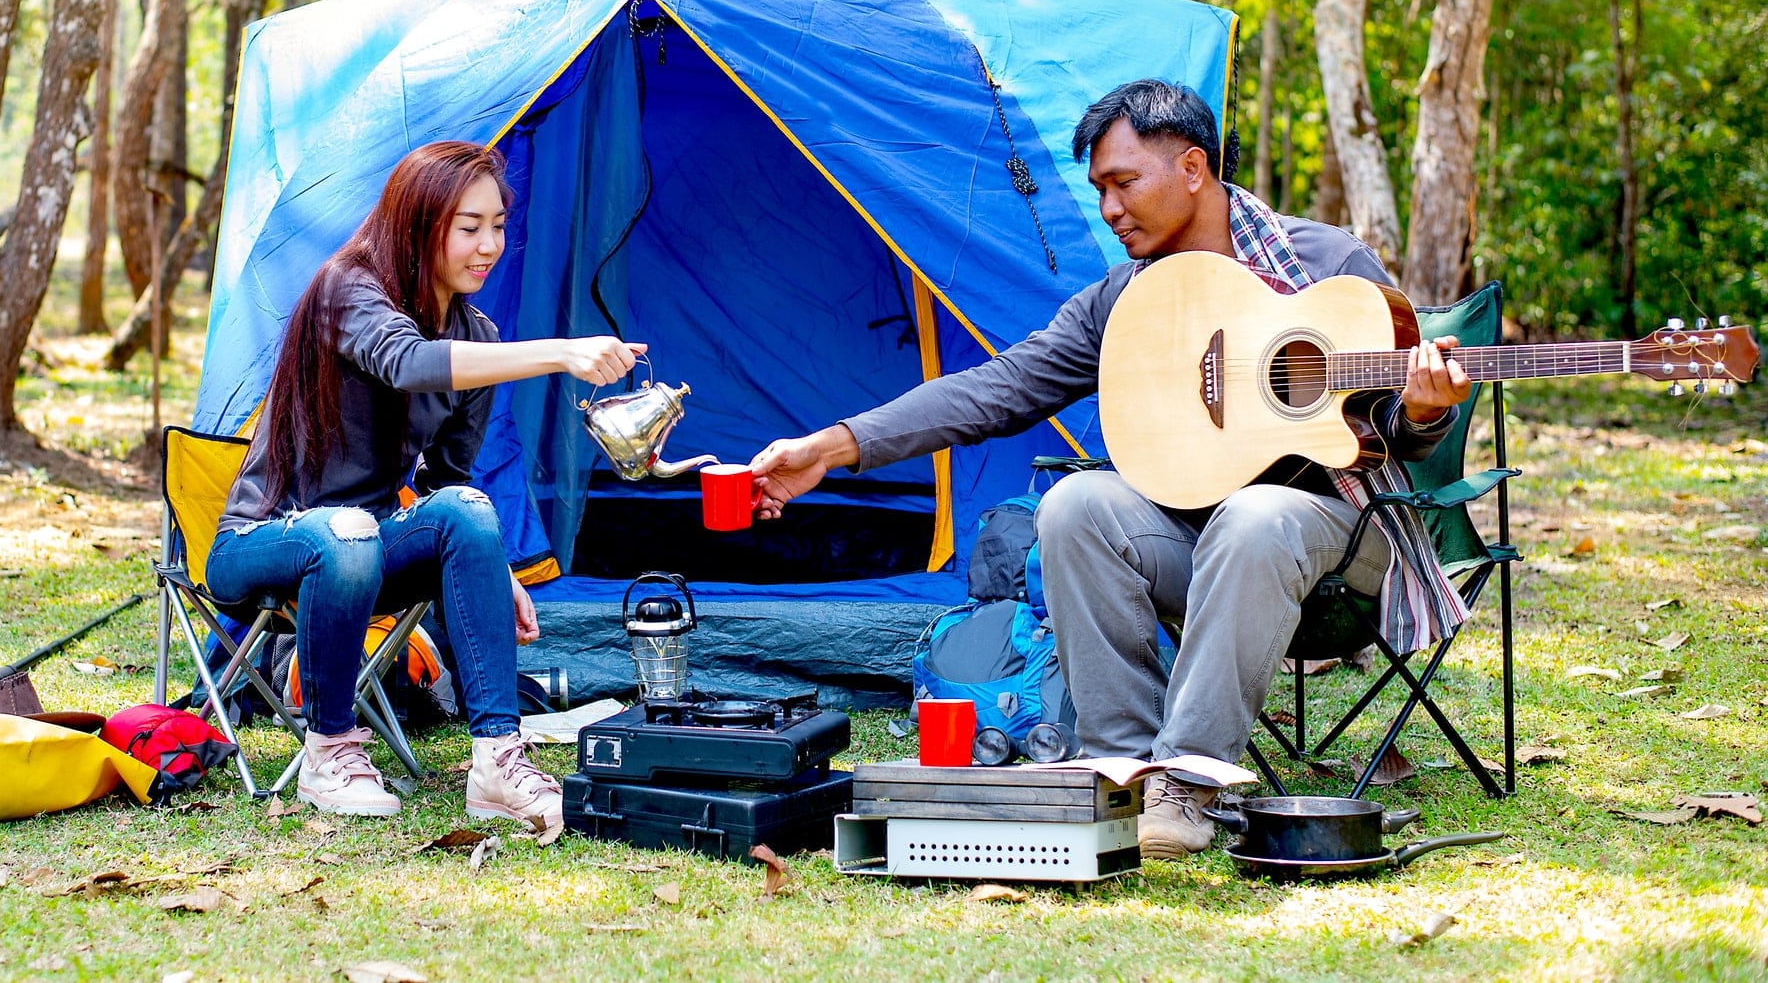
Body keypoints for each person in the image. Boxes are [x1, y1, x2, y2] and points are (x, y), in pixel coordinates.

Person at [747, 80, 1473, 860]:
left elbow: (1399, 432)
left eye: (1124, 182)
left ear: (1193, 168)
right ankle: (1120, 771)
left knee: (1254, 516)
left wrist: (1428, 409)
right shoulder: (1128, 299)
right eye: (1099, 189)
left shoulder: (1325, 264)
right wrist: (833, 445)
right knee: (1075, 506)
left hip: (1339, 528)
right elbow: (1000, 387)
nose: (1109, 208)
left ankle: (1187, 785)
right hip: (1198, 543)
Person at [213, 140, 643, 820]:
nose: (489, 244)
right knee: (349, 529)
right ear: (420, 223)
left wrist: (493, 570)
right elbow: (408, 362)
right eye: (468, 227)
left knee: (465, 508)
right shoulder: (346, 289)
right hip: (261, 545)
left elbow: (448, 482)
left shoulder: (476, 333)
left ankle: (497, 761)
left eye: (498, 224)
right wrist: (561, 352)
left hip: (368, 547)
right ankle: (327, 755)